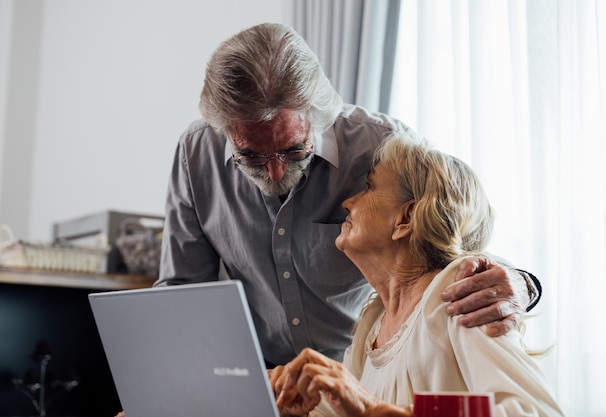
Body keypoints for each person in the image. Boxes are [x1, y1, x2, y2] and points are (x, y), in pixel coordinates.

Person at [155, 22, 540, 367]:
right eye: (250, 155)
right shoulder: (196, 153)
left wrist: (519, 283)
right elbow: (184, 294)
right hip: (264, 383)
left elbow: (454, 235)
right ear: (223, 130)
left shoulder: (384, 146)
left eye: (293, 150)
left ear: (318, 115)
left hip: (364, 375)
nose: (274, 172)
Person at [270, 133, 562, 417]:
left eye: (369, 187)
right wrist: (288, 401)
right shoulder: (372, 323)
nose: (348, 202)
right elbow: (347, 408)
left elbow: (533, 412)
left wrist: (374, 410)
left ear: (406, 218)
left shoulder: (458, 294)